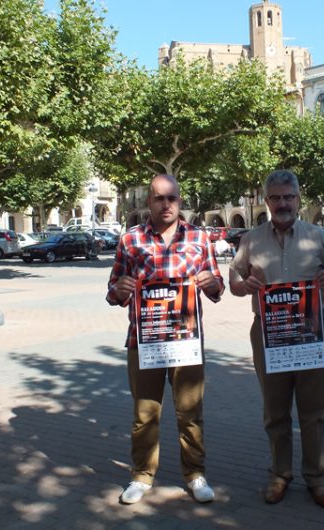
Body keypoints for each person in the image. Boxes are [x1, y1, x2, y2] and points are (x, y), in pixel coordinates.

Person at [107, 174, 224, 505]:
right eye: (159, 198)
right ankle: (142, 476)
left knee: (191, 412)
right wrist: (120, 290)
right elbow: (113, 290)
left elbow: (217, 289)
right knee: (145, 413)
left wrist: (211, 282)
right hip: (143, 342)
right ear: (149, 202)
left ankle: (195, 474)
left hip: (185, 341)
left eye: (171, 198)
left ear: (180, 200)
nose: (166, 204)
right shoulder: (130, 240)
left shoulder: (199, 239)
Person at [229, 170, 324, 508]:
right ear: (266, 201)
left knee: (315, 412)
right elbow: (235, 278)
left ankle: (317, 478)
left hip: (311, 334)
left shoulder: (317, 235)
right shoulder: (250, 239)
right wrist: (243, 285)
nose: (282, 203)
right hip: (268, 334)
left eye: (288, 197)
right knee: (275, 412)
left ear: (298, 200)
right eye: (276, 197)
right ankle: (280, 474)